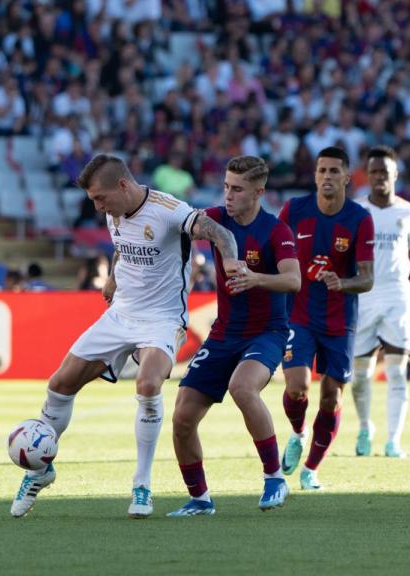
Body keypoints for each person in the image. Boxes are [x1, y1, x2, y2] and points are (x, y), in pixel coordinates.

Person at [10, 154, 242, 519]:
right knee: (60, 383)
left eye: (100, 198)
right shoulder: (112, 210)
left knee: (148, 385)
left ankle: (142, 483)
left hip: (163, 319)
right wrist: (115, 276)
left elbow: (219, 232)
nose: (97, 206)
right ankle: (41, 471)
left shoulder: (169, 209)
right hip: (120, 314)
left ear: (123, 185)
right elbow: (122, 245)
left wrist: (230, 260)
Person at [167, 156, 301, 517]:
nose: (228, 195)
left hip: (267, 332)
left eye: (237, 189)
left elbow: (293, 280)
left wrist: (256, 278)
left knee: (243, 388)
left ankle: (274, 477)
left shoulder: (276, 232)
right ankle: (200, 500)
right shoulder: (214, 219)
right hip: (224, 333)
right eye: (226, 186)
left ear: (258, 192)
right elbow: (173, 223)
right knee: (181, 418)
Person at [278, 146, 375, 490]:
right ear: (315, 176)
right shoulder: (294, 210)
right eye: (322, 171)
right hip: (299, 315)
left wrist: (342, 282)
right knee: (298, 386)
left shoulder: (359, 218)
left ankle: (311, 470)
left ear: (347, 178)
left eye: (335, 171)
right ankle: (298, 433)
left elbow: (367, 278)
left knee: (331, 397)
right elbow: (274, 251)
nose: (327, 177)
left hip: (340, 322)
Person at [349, 147, 410, 459]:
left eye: (385, 172)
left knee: (398, 371)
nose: (379, 177)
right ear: (367, 175)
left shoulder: (409, 212)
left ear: (395, 175)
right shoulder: (356, 211)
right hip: (364, 294)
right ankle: (363, 426)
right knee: (360, 374)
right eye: (374, 172)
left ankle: (393, 441)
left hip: (398, 295)